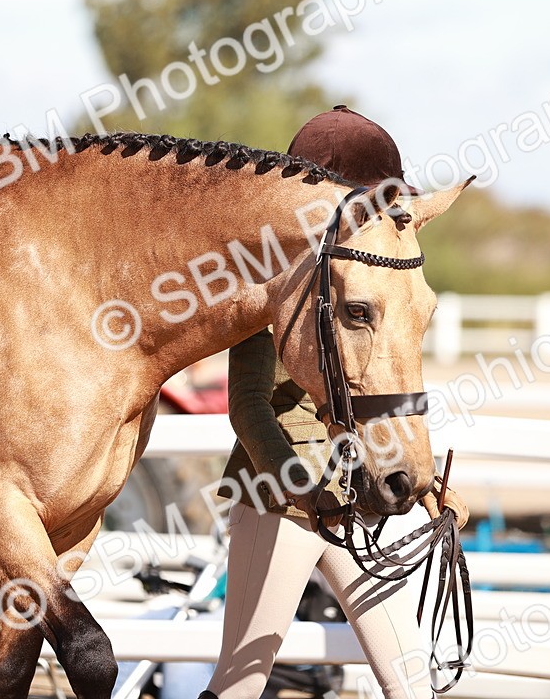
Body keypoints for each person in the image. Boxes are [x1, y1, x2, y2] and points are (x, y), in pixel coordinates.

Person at [200, 106, 468, 699]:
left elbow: (378, 394)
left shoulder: (365, 275)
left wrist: (424, 486)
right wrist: (296, 481)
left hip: (357, 497)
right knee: (240, 685)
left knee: (411, 681)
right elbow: (247, 404)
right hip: (278, 502)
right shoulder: (272, 287)